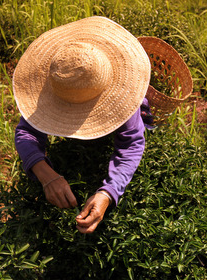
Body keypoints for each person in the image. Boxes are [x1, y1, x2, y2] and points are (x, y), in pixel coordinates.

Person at [13, 16, 152, 234]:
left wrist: (108, 193)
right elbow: (26, 132)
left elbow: (131, 144)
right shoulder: (58, 75)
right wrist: (46, 175)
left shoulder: (123, 96)